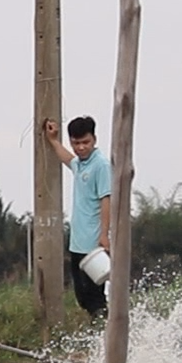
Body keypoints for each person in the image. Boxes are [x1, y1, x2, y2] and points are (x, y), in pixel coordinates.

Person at [43, 116, 111, 318]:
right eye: (76, 143)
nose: (81, 148)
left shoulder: (101, 165)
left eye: (85, 142)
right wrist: (54, 140)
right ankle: (97, 330)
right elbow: (67, 158)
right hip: (77, 242)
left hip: (93, 242)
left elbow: (106, 199)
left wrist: (104, 234)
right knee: (82, 295)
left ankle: (104, 333)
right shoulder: (81, 164)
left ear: (94, 140)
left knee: (94, 295)